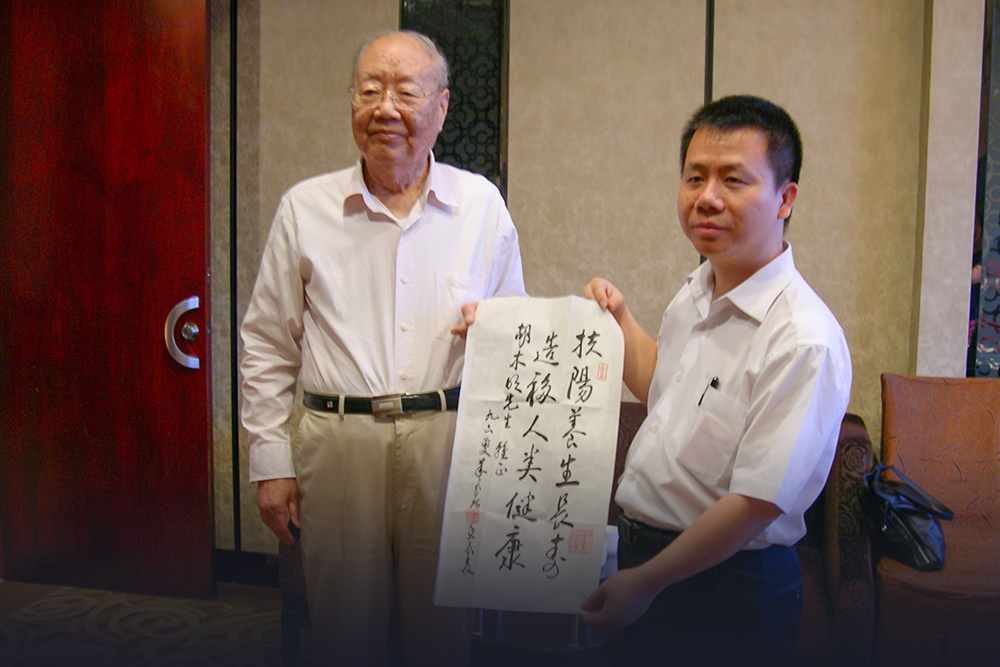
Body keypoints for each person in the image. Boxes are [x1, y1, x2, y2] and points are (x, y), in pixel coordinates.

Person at [240, 30, 525, 667]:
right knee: (344, 632)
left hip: (447, 443)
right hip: (338, 442)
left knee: (444, 632)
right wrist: (271, 463)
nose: (385, 109)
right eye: (369, 91)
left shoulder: (481, 206)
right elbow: (266, 344)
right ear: (351, 103)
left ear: (442, 107)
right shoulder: (305, 208)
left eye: (405, 92)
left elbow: (518, 336)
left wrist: (497, 328)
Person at [578, 95, 852, 666]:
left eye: (734, 179)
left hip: (727, 587)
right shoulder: (698, 290)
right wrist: (619, 319)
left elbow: (756, 503)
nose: (707, 197)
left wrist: (648, 581)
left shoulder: (803, 337)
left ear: (785, 198)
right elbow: (664, 389)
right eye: (695, 176)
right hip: (647, 561)